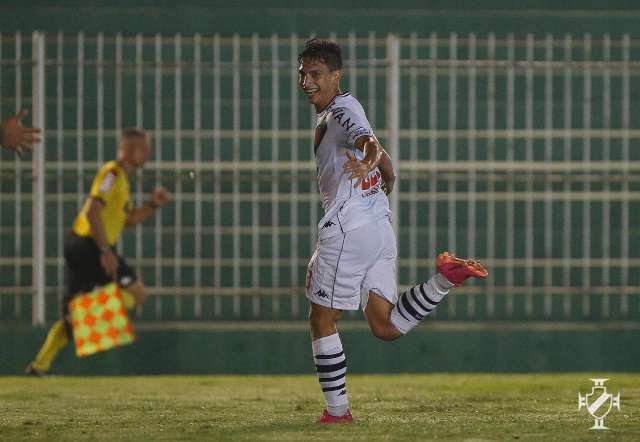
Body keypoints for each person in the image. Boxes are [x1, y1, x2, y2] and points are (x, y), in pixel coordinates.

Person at [298, 38, 488, 424]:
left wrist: (369, 161)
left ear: (336, 75)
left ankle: (337, 413)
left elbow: (367, 141)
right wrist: (382, 168)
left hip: (348, 232)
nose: (306, 81)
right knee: (384, 326)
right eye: (303, 73)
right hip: (379, 230)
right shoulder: (342, 110)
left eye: (315, 74)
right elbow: (378, 151)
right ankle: (443, 280)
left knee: (322, 318)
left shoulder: (341, 109)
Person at [26, 128, 169, 375]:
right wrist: (105, 251)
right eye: (144, 148)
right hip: (89, 245)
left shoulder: (122, 179)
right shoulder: (111, 174)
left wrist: (152, 204)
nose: (148, 153)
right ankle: (79, 320)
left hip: (87, 246)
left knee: (72, 319)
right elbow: (93, 210)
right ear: (129, 149)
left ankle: (40, 365)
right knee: (136, 294)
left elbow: (129, 219)